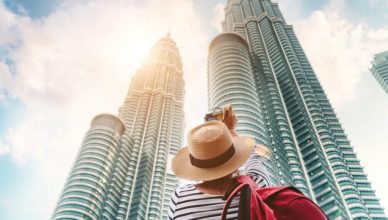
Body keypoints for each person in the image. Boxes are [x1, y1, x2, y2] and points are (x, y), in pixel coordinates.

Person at [168, 120, 271, 219]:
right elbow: (253, 156)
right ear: (235, 159)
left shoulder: (180, 197)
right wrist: (230, 130)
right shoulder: (255, 186)